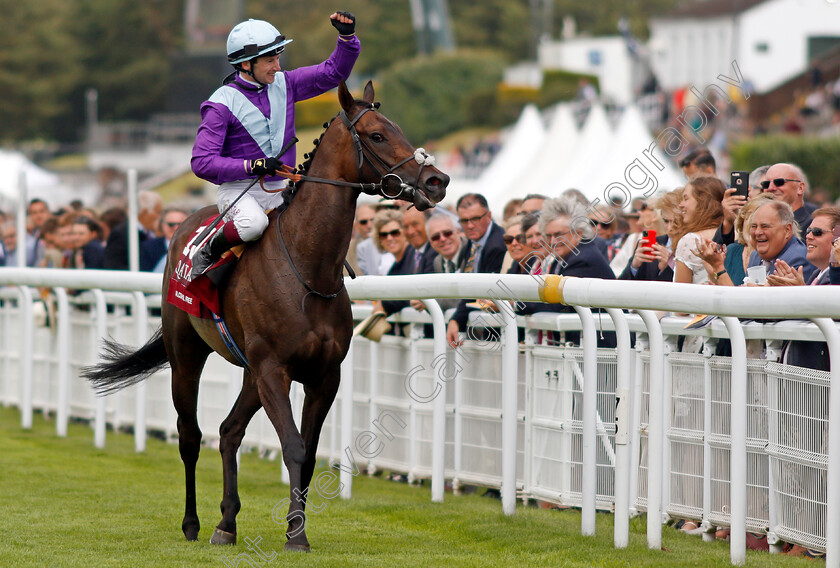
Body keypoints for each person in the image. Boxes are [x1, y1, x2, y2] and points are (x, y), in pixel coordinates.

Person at [190, 13, 360, 278]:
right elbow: (202, 163)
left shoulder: (286, 84)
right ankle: (209, 249)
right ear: (246, 64)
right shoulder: (220, 105)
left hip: (282, 188)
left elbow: (333, 73)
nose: (277, 67)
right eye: (270, 60)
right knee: (253, 225)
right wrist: (252, 166)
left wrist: (346, 39)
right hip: (239, 191)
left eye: (277, 59)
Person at [445, 193, 507, 347]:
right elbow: (470, 290)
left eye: (475, 219)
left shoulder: (498, 245)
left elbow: (482, 294)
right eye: (465, 221)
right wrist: (456, 319)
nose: (470, 225)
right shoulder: (472, 242)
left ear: (489, 216)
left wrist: (457, 318)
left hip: (501, 331)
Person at [746, 201, 818, 282]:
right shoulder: (755, 256)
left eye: (765, 226)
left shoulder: (798, 259)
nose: (757, 232)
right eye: (754, 226)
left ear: (787, 230)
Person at [409, 212, 466, 313]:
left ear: (458, 231)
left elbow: (466, 298)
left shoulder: (472, 252)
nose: (442, 239)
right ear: (430, 242)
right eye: (435, 237)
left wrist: (428, 302)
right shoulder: (437, 261)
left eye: (447, 233)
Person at [673, 176, 725, 285]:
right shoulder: (736, 234)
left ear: (703, 202)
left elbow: (680, 292)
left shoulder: (690, 241)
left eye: (686, 198)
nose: (681, 205)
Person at [104, 191, 163, 270]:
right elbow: (114, 265)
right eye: (158, 212)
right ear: (145, 213)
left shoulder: (154, 233)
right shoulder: (122, 234)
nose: (160, 216)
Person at [760, 163, 818, 232]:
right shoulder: (759, 224)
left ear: (800, 188)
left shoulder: (812, 226)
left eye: (779, 182)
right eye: (766, 184)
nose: (770, 188)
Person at [348, 203, 377, 276]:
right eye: (364, 222)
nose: (369, 225)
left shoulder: (389, 239)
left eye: (373, 220)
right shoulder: (348, 250)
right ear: (356, 226)